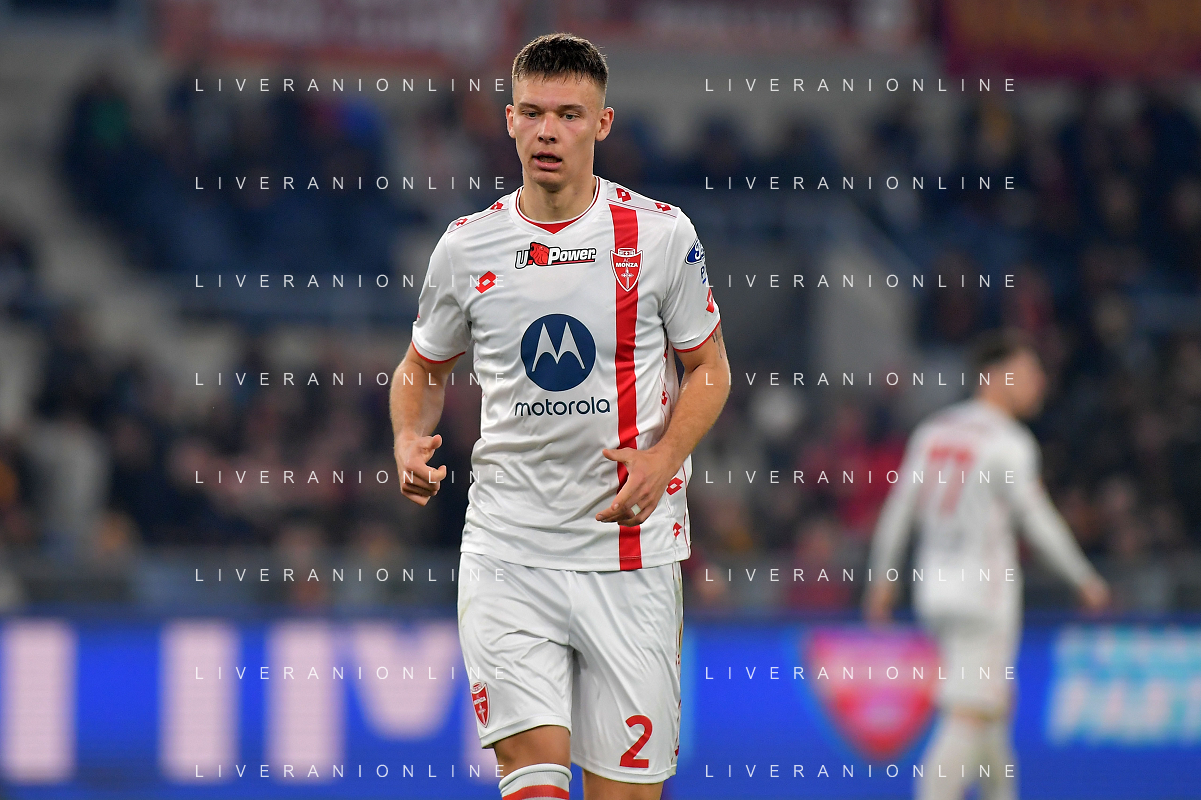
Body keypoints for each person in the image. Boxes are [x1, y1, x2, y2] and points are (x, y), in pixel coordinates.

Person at [389, 33, 730, 800]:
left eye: (569, 115)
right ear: (509, 120)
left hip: (630, 560)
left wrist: (663, 458)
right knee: (534, 779)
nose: (549, 131)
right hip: (508, 550)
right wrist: (408, 436)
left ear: (601, 124)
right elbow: (420, 368)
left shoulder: (659, 235)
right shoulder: (466, 247)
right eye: (534, 113)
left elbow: (709, 368)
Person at [863, 329, 1109, 800]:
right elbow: (1037, 520)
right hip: (984, 596)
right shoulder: (1009, 442)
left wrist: (882, 581)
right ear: (993, 376)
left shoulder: (933, 431)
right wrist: (1084, 578)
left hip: (935, 591)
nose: (1038, 383)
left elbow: (899, 511)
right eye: (1027, 372)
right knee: (969, 713)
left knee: (991, 709)